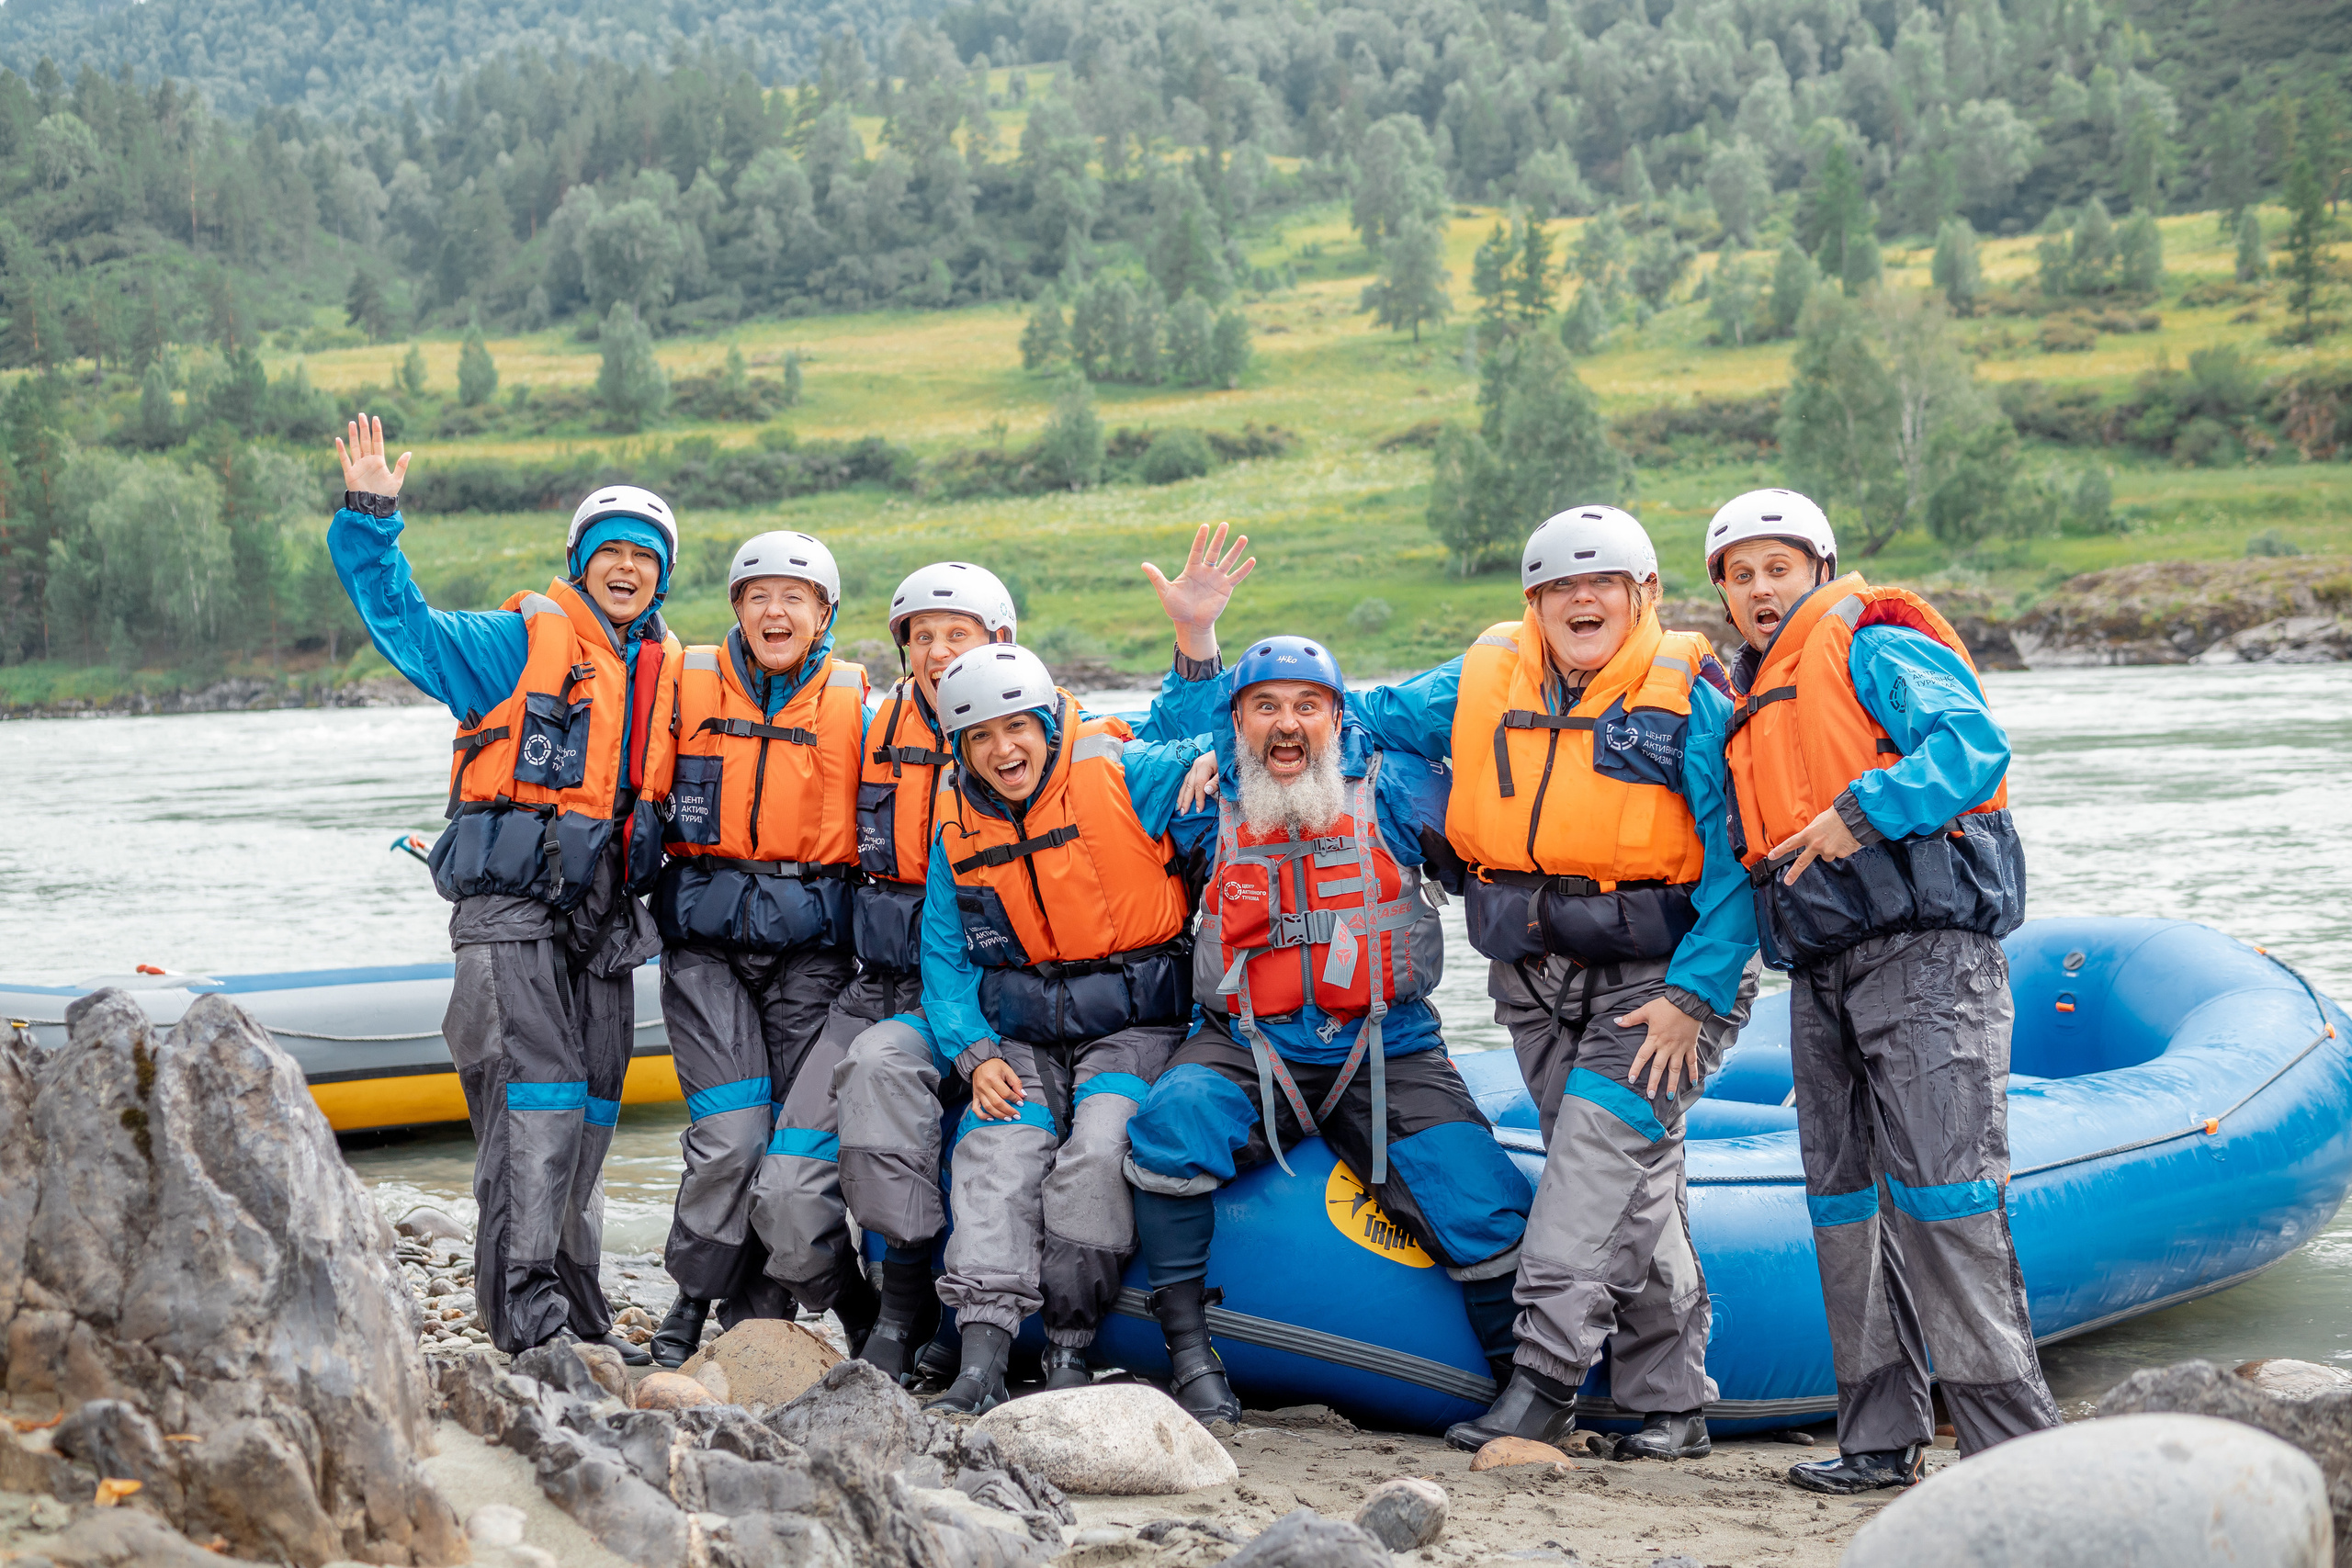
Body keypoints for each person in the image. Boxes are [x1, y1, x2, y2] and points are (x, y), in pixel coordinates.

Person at [1332, 506, 1760, 1459]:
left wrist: (1692, 999)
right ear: (1531, 603)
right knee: (1631, 1187)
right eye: (1558, 587)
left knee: (1586, 1177)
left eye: (1600, 583)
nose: (1580, 601)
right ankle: (1671, 1406)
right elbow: (1350, 712)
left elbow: (1739, 862)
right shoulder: (1482, 675)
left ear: (1642, 594)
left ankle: (1541, 1390)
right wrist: (1207, 729)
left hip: (1661, 987)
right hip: (1533, 977)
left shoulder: (1695, 696)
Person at [1704, 489, 2055, 1493]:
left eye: (1779, 567)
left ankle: (2012, 1453)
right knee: (1845, 1207)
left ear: (1816, 569)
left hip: (1928, 959)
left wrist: (1860, 813)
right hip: (1820, 970)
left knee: (1945, 1197)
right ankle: (1876, 1442)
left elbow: (1972, 746)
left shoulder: (1870, 642)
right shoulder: (1748, 698)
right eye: (1740, 574)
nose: (1761, 588)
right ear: (1724, 595)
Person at [1121, 634, 1535, 1428]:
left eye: (1307, 706)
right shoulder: (1206, 794)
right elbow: (1114, 796)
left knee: (1477, 1193)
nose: (1287, 725)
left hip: (1387, 1041)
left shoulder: (1399, 785)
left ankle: (1523, 1386)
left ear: (1336, 717)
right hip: (1247, 1038)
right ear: (1236, 721)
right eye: (1265, 707)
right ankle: (1191, 1358)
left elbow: (1492, 859)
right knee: (1173, 1123)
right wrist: (1191, 663)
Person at [329, 415, 672, 1365]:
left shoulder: (666, 676)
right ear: (580, 561)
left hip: (603, 924)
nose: (627, 567)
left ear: (661, 579)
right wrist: (370, 518)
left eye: (645, 558)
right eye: (611, 552)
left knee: (594, 1112)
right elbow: (404, 624)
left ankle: (576, 1302)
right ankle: (525, 1320)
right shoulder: (512, 644)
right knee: (535, 1110)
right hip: (508, 913)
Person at [867, 642, 1211, 1414]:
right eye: (980, 736)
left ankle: (1067, 1345)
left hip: (1132, 1029)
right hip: (1019, 1035)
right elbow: (946, 958)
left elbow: (1231, 732)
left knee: (1096, 1151)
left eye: (1015, 727)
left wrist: (1195, 651)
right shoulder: (957, 825)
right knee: (996, 1148)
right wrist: (973, 1053)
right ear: (960, 747)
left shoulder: (1122, 773)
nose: (1001, 749)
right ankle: (983, 1355)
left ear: (1047, 723)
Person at [763, 561, 1020, 1382]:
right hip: (872, 989)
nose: (939, 653)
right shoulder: (868, 725)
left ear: (999, 642)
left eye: (959, 635)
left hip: (982, 998)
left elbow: (1136, 756)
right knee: (789, 1200)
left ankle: (907, 1319)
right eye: (923, 637)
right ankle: (862, 1310)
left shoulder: (1029, 734)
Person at [645, 531, 876, 1365]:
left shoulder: (862, 703)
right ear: (737, 608)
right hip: (706, 951)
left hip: (811, 950)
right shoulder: (683, 683)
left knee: (789, 1146)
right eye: (758, 595)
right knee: (731, 1135)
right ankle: (693, 1294)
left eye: (795, 597)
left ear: (824, 615)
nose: (775, 610)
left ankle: (783, 1305)